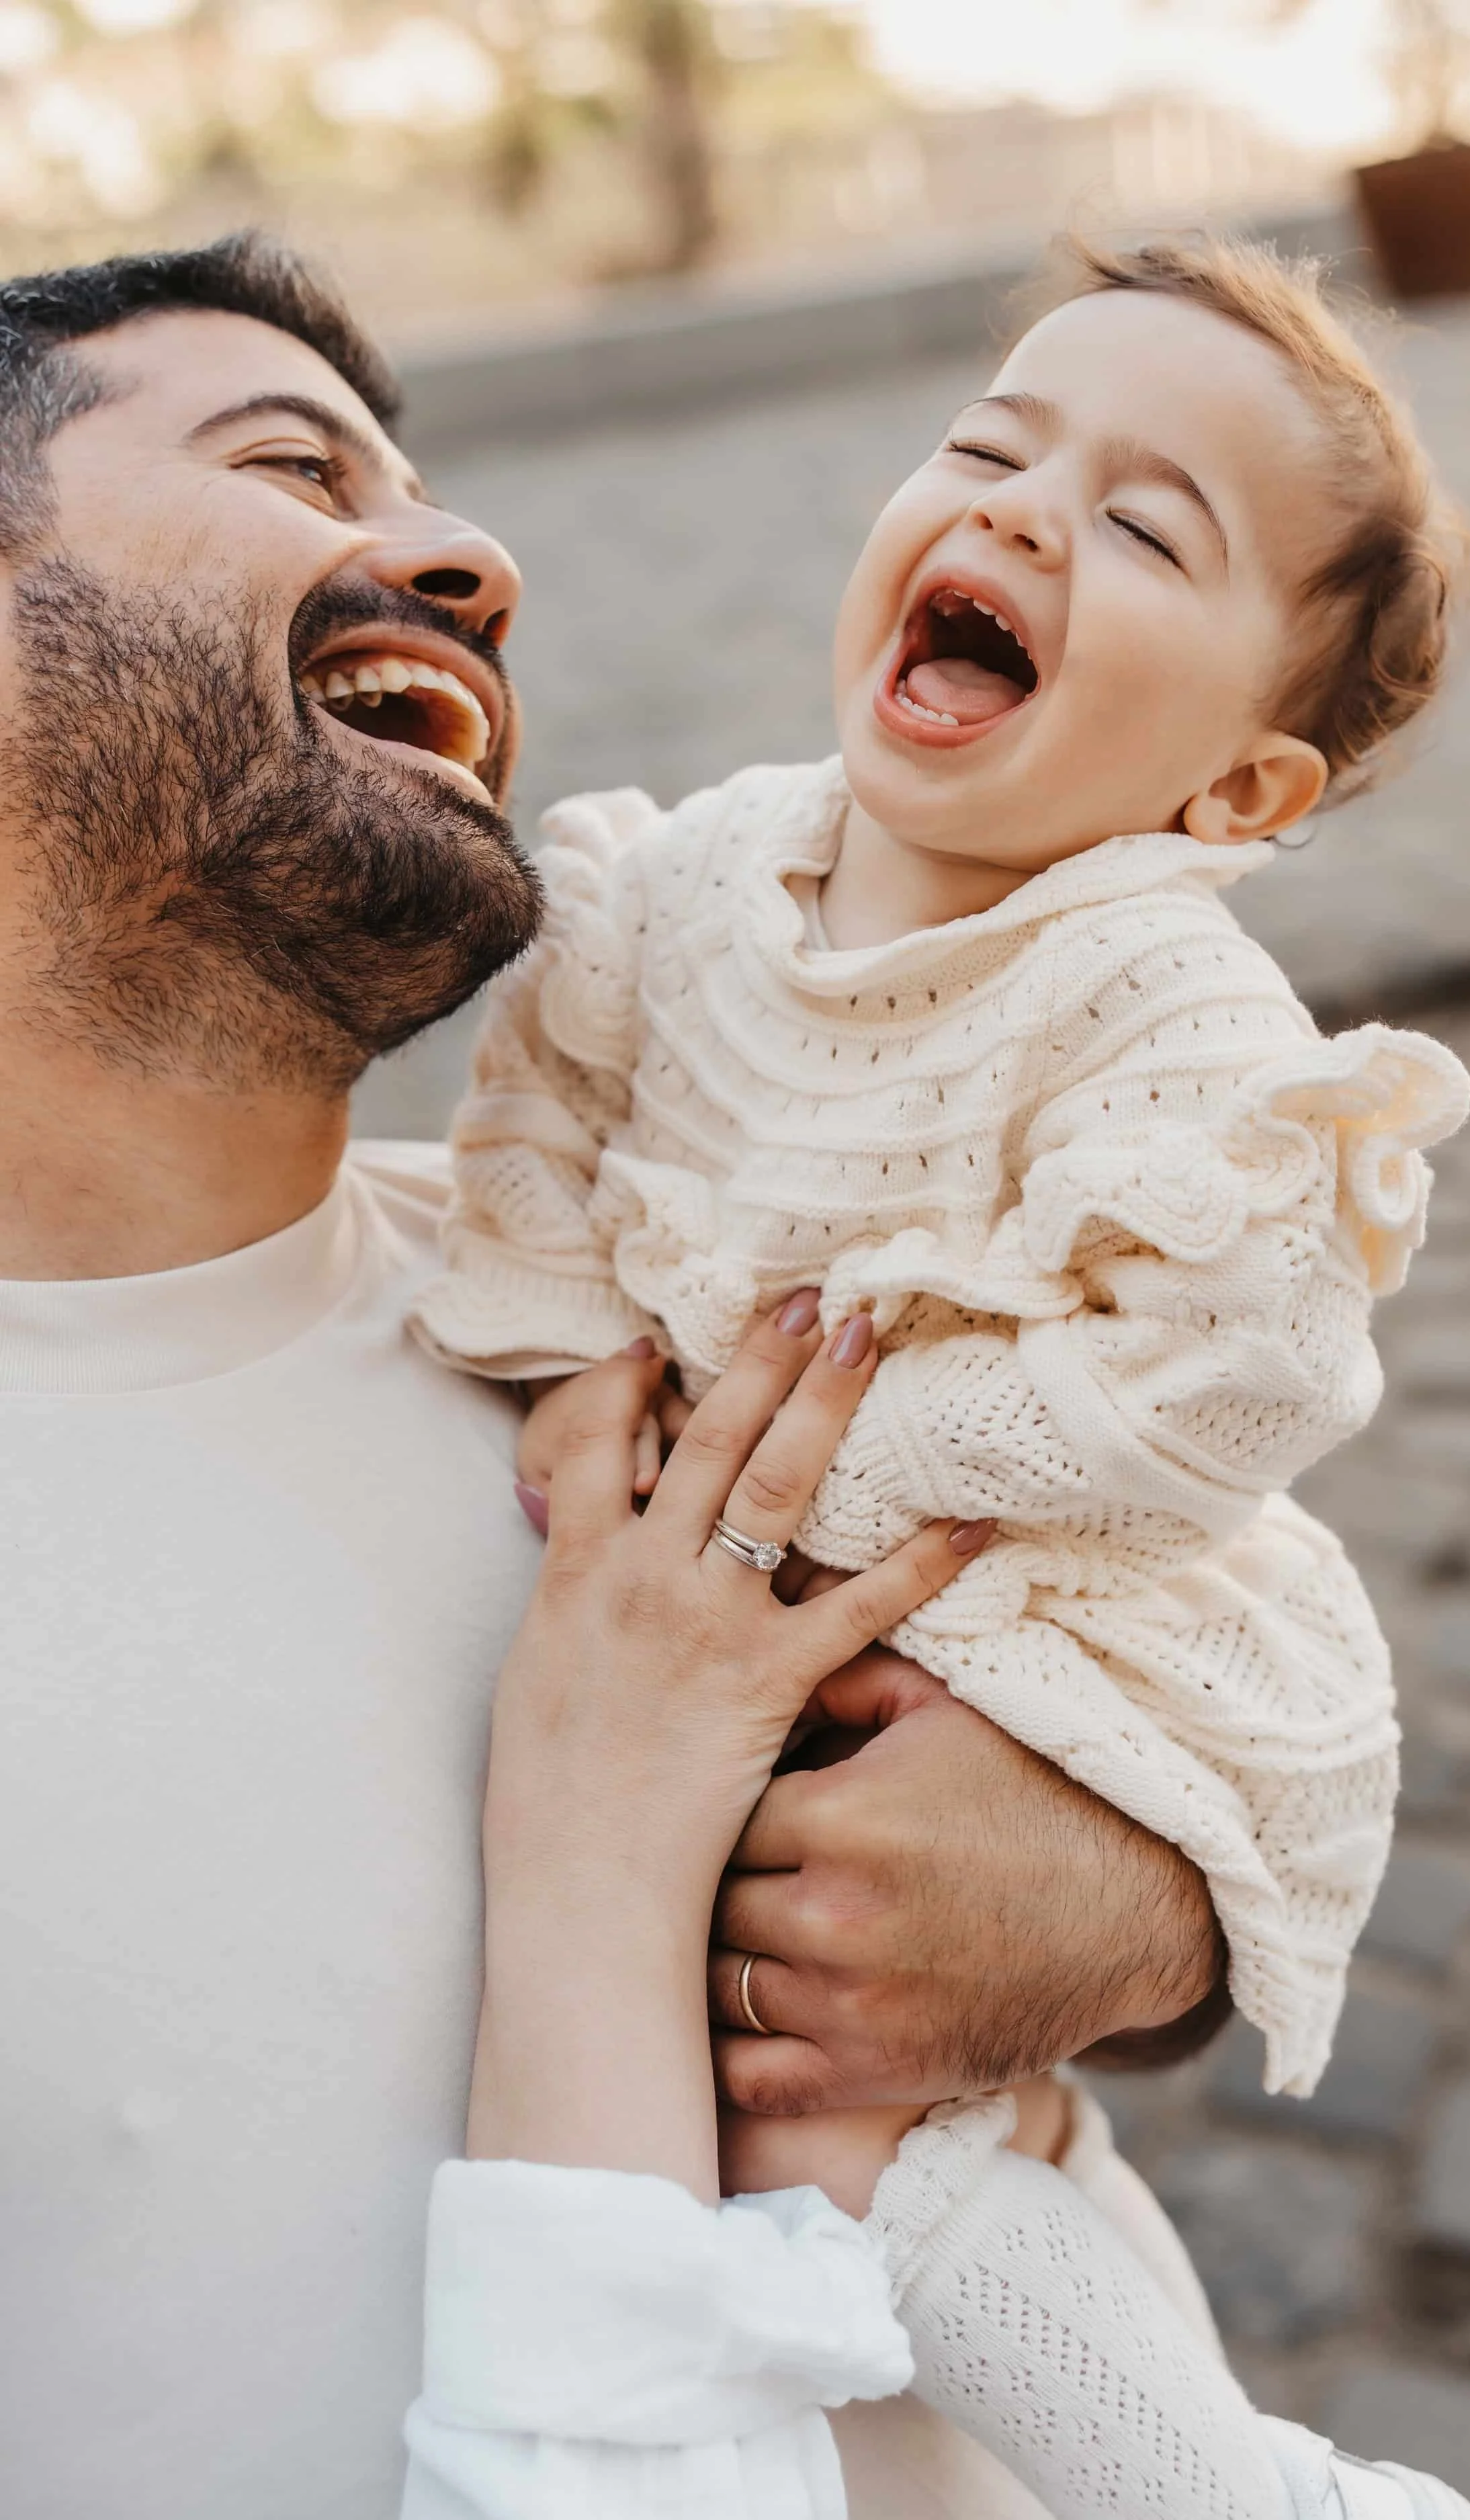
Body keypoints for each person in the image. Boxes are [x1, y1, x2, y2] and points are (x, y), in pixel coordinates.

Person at [0, 234, 1234, 2520]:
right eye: (289, 465)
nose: (475, 561)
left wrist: (1128, 1910)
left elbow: (1218, 1698)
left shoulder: (655, 1293)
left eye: (434, 494)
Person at [413, 232, 1470, 2103]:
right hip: (697, 1619)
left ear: (1239, 791)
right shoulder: (703, 867)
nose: (1033, 516)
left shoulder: (1163, 1003)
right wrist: (574, 1340)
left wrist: (834, 1451)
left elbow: (1242, 1364)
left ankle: (1204, 2422)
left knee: (852, 2159)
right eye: (991, 454)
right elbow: (543, 1087)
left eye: (1148, 531)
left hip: (993, 1626)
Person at [401, 1320, 1470, 2520]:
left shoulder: (566, 1285)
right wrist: (602, 1853)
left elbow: (1238, 1589)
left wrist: (1142, 1914)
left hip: (1034, 2309)